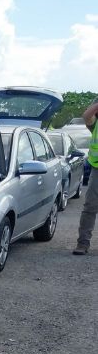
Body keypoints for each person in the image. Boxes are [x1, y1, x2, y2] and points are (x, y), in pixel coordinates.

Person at [74, 99, 98, 255]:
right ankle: (82, 244)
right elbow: (86, 115)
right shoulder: (95, 124)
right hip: (97, 169)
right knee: (90, 207)